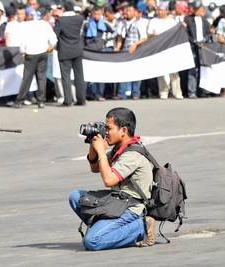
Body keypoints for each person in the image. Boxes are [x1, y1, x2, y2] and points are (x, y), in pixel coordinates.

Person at [69, 107, 155, 250]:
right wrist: (93, 143)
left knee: (92, 242)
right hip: (117, 201)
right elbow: (95, 167)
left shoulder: (132, 155)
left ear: (124, 130)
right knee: (76, 197)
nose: (106, 132)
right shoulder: (119, 149)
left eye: (108, 128)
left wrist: (101, 151)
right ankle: (105, 229)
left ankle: (141, 226)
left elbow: (109, 180)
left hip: (131, 207)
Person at [11, 7, 57, 109]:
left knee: (27, 78)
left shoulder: (26, 26)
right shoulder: (45, 24)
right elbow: (54, 39)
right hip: (43, 52)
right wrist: (49, 48)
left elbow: (22, 42)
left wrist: (22, 52)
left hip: (30, 54)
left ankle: (19, 101)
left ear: (29, 16)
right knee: (41, 77)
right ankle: (41, 101)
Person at [54, 1, 87, 106]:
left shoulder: (61, 20)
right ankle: (81, 99)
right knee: (79, 76)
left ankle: (68, 100)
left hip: (64, 51)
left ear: (64, 8)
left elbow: (55, 34)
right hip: (77, 50)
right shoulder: (79, 18)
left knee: (66, 77)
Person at [115, 4, 148, 100]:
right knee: (123, 72)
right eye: (126, 11)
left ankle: (136, 93)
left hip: (136, 51)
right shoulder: (122, 23)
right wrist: (117, 48)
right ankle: (121, 94)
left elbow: (144, 38)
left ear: (134, 12)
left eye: (129, 10)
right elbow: (120, 38)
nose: (127, 12)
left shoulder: (139, 23)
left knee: (136, 72)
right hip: (125, 51)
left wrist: (135, 44)